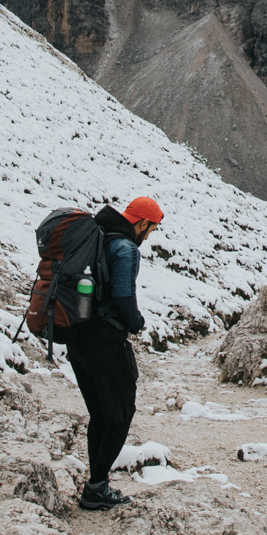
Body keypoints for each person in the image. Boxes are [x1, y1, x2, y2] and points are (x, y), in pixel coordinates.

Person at [69, 194, 163, 512]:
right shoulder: (125, 248)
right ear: (142, 223)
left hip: (77, 338)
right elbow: (124, 298)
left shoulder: (98, 237)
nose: (150, 236)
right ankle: (96, 487)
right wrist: (136, 322)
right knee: (122, 412)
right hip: (105, 341)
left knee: (101, 413)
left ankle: (96, 483)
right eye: (151, 229)